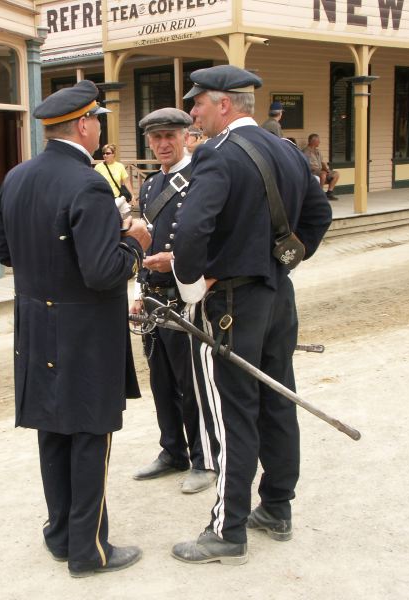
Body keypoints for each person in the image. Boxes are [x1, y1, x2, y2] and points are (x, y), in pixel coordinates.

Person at [169, 65, 332, 565]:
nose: (192, 112)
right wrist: (280, 261)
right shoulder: (285, 149)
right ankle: (277, 508)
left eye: (198, 103)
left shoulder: (217, 154)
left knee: (232, 411)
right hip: (277, 294)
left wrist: (193, 285)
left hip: (232, 302)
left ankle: (228, 530)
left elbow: (192, 231)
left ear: (224, 104)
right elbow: (319, 215)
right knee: (277, 398)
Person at [0, 80, 150, 578]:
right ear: (83, 125)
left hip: (37, 325)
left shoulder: (17, 177)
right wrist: (136, 242)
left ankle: (60, 534)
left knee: (53, 431)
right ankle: (88, 550)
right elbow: (103, 272)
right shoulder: (89, 183)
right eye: (97, 120)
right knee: (89, 434)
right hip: (84, 329)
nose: (100, 127)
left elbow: (5, 253)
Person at [130, 107, 217, 495]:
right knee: (161, 381)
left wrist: (176, 260)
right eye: (156, 137)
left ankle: (204, 458)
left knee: (193, 383)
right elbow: (145, 244)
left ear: (186, 136)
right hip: (154, 298)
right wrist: (138, 291)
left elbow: (212, 239)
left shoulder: (200, 179)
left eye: (170, 136)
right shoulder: (150, 186)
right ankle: (173, 451)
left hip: (186, 297)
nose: (163, 144)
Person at [302, 133, 340, 200]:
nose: (319, 142)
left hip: (320, 170)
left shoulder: (318, 151)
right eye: (318, 141)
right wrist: (320, 170)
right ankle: (320, 194)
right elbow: (305, 165)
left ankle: (329, 192)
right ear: (313, 141)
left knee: (336, 174)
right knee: (323, 174)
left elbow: (322, 163)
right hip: (312, 171)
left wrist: (327, 170)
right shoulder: (305, 152)